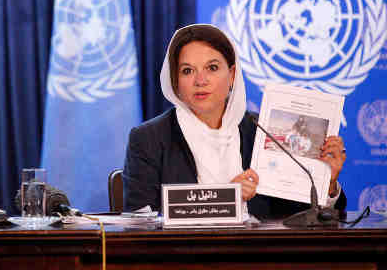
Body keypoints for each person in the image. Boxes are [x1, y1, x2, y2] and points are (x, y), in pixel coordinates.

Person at [122, 24, 347, 219]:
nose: (201, 80)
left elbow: (295, 214)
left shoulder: (262, 130)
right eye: (188, 71)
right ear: (175, 82)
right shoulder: (148, 139)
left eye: (212, 68)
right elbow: (141, 218)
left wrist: (326, 182)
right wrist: (225, 199)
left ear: (231, 75)